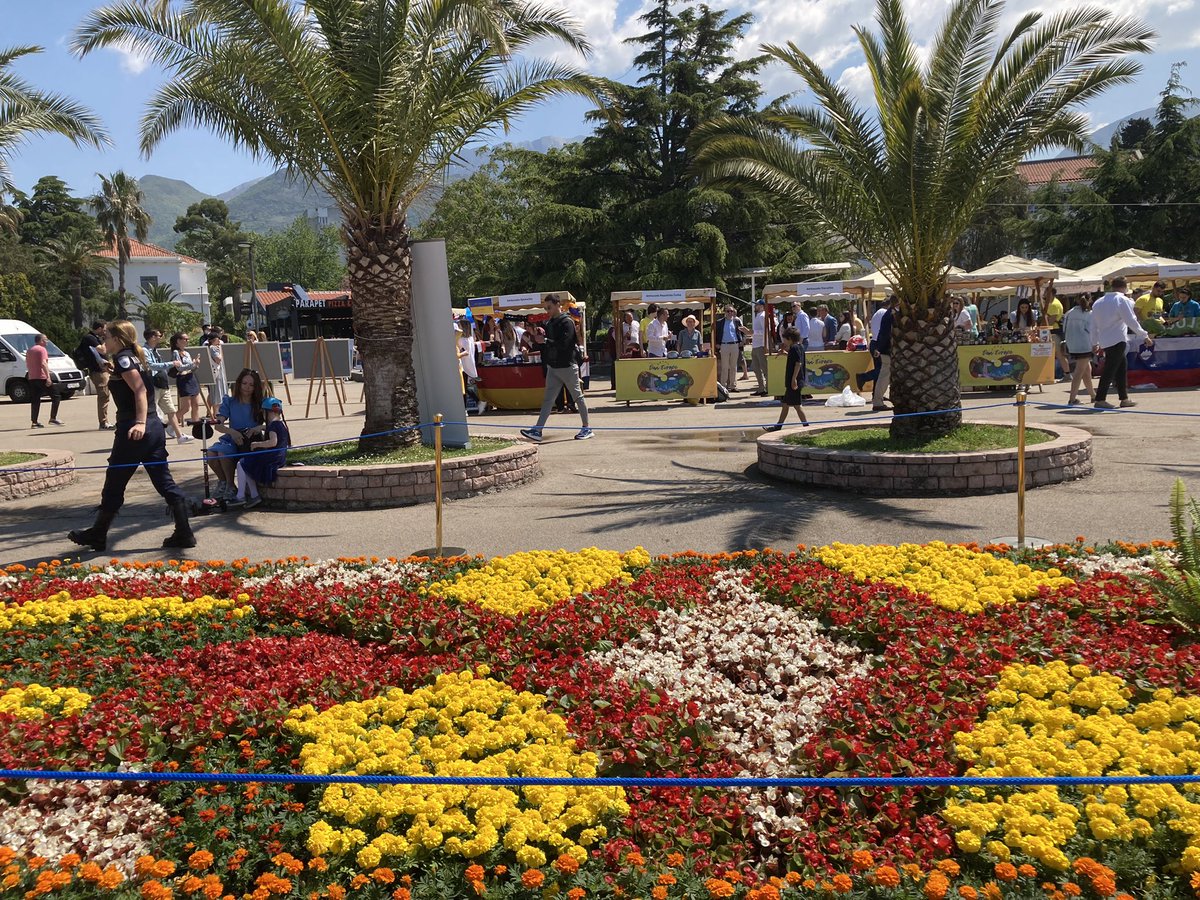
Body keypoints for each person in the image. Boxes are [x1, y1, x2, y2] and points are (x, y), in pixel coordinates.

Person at [67, 321, 195, 552]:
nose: (103, 340)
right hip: (154, 428)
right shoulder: (131, 358)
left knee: (115, 481)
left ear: (117, 339)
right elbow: (134, 384)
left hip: (136, 430)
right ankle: (184, 532)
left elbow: (140, 390)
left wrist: (139, 423)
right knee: (163, 481)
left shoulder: (124, 359)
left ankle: (98, 533)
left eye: (106, 336)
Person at [520, 294, 592, 442]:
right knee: (548, 400)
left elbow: (565, 344)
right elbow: (548, 345)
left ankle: (587, 427)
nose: (547, 310)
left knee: (577, 397)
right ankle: (538, 430)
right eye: (546, 308)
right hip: (553, 366)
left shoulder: (567, 322)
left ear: (558, 305)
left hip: (567, 365)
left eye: (549, 307)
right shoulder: (550, 322)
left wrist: (546, 340)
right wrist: (540, 341)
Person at [1092, 276, 1152, 410]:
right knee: (1110, 369)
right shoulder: (1121, 300)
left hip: (1105, 340)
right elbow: (1131, 320)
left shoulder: (1098, 302)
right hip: (1118, 339)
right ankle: (1100, 399)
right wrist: (1144, 335)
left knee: (1121, 368)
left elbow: (1093, 324)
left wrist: (1094, 341)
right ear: (1124, 288)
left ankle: (1124, 398)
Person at [207, 368, 266, 499]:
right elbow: (218, 425)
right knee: (210, 453)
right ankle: (224, 482)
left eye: (251, 385)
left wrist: (258, 427)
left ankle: (230, 486)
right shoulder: (230, 401)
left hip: (250, 439)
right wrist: (231, 431)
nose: (247, 387)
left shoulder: (260, 403)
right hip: (233, 436)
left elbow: (272, 424)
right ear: (239, 383)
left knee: (223, 452)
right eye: (244, 383)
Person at [228, 396, 291, 509]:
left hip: (272, 458)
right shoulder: (280, 424)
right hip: (279, 457)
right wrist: (260, 427)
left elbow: (273, 442)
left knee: (241, 463)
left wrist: (257, 444)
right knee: (246, 464)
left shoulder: (272, 426)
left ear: (267, 413)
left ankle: (241, 496)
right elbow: (272, 432)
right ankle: (253, 495)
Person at [144, 329, 192, 444]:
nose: (161, 337)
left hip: (163, 385)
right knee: (152, 412)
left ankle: (179, 436)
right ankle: (151, 437)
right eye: (159, 335)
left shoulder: (155, 350)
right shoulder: (144, 351)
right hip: (153, 385)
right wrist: (171, 364)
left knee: (171, 411)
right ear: (152, 337)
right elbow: (151, 366)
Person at [762, 327, 809, 431]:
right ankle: (778, 426)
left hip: (795, 381)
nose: (784, 341)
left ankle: (807, 427)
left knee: (797, 405)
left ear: (790, 338)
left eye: (785, 339)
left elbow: (798, 364)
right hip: (795, 381)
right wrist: (785, 354)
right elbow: (795, 359)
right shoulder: (799, 347)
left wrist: (793, 379)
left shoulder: (794, 348)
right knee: (785, 404)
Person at [76, 321, 113, 430]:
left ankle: (104, 421)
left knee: (105, 396)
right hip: (98, 371)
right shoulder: (90, 338)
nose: (105, 332)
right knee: (103, 395)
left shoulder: (95, 338)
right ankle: (103, 423)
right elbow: (103, 350)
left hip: (102, 369)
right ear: (100, 328)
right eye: (105, 330)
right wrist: (107, 340)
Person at [1063, 295, 1097, 406]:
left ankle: (1093, 395)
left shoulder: (1069, 313)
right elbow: (1093, 331)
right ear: (1090, 300)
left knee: (1087, 369)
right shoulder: (1090, 314)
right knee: (1079, 372)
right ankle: (1072, 399)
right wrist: (1096, 343)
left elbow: (1064, 329)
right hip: (1085, 344)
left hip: (1072, 344)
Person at [26, 333, 63, 429]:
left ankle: (34, 422)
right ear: (41, 341)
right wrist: (48, 377)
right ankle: (53, 418)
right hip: (41, 377)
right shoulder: (42, 349)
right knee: (56, 396)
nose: (47, 341)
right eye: (45, 340)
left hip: (32, 377)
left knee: (35, 400)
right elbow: (43, 363)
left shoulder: (30, 350)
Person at [170, 332, 202, 425]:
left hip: (191, 377)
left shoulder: (187, 353)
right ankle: (171, 424)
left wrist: (196, 364)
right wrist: (192, 364)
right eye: (185, 339)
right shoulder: (176, 353)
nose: (187, 341)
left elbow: (192, 367)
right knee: (186, 407)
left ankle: (196, 424)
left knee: (196, 405)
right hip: (183, 379)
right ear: (178, 341)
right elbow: (179, 367)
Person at [871, 298, 895, 411]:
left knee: (885, 375)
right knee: (884, 375)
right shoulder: (890, 314)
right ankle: (878, 401)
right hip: (887, 349)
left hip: (884, 348)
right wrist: (880, 348)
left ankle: (879, 400)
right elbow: (885, 334)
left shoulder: (887, 313)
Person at [715, 305, 743, 392]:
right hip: (724, 345)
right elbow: (716, 333)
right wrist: (717, 343)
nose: (730, 313)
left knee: (734, 366)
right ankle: (723, 386)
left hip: (735, 345)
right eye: (728, 311)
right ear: (725, 312)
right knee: (725, 366)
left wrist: (742, 340)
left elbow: (741, 332)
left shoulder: (737, 321)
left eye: (731, 311)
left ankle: (733, 385)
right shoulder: (720, 322)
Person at [750, 299, 771, 395]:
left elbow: (766, 331)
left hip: (761, 345)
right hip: (755, 344)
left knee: (764, 367)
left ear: (762, 306)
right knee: (755, 367)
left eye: (757, 305)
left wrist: (753, 332)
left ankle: (769, 387)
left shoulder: (763, 316)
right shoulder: (758, 316)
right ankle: (761, 387)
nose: (755, 306)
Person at [207, 329, 229, 404]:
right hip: (217, 373)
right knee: (218, 394)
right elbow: (218, 359)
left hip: (220, 372)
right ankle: (216, 414)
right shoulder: (213, 347)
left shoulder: (215, 347)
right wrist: (221, 350)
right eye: (217, 338)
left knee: (220, 393)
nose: (219, 340)